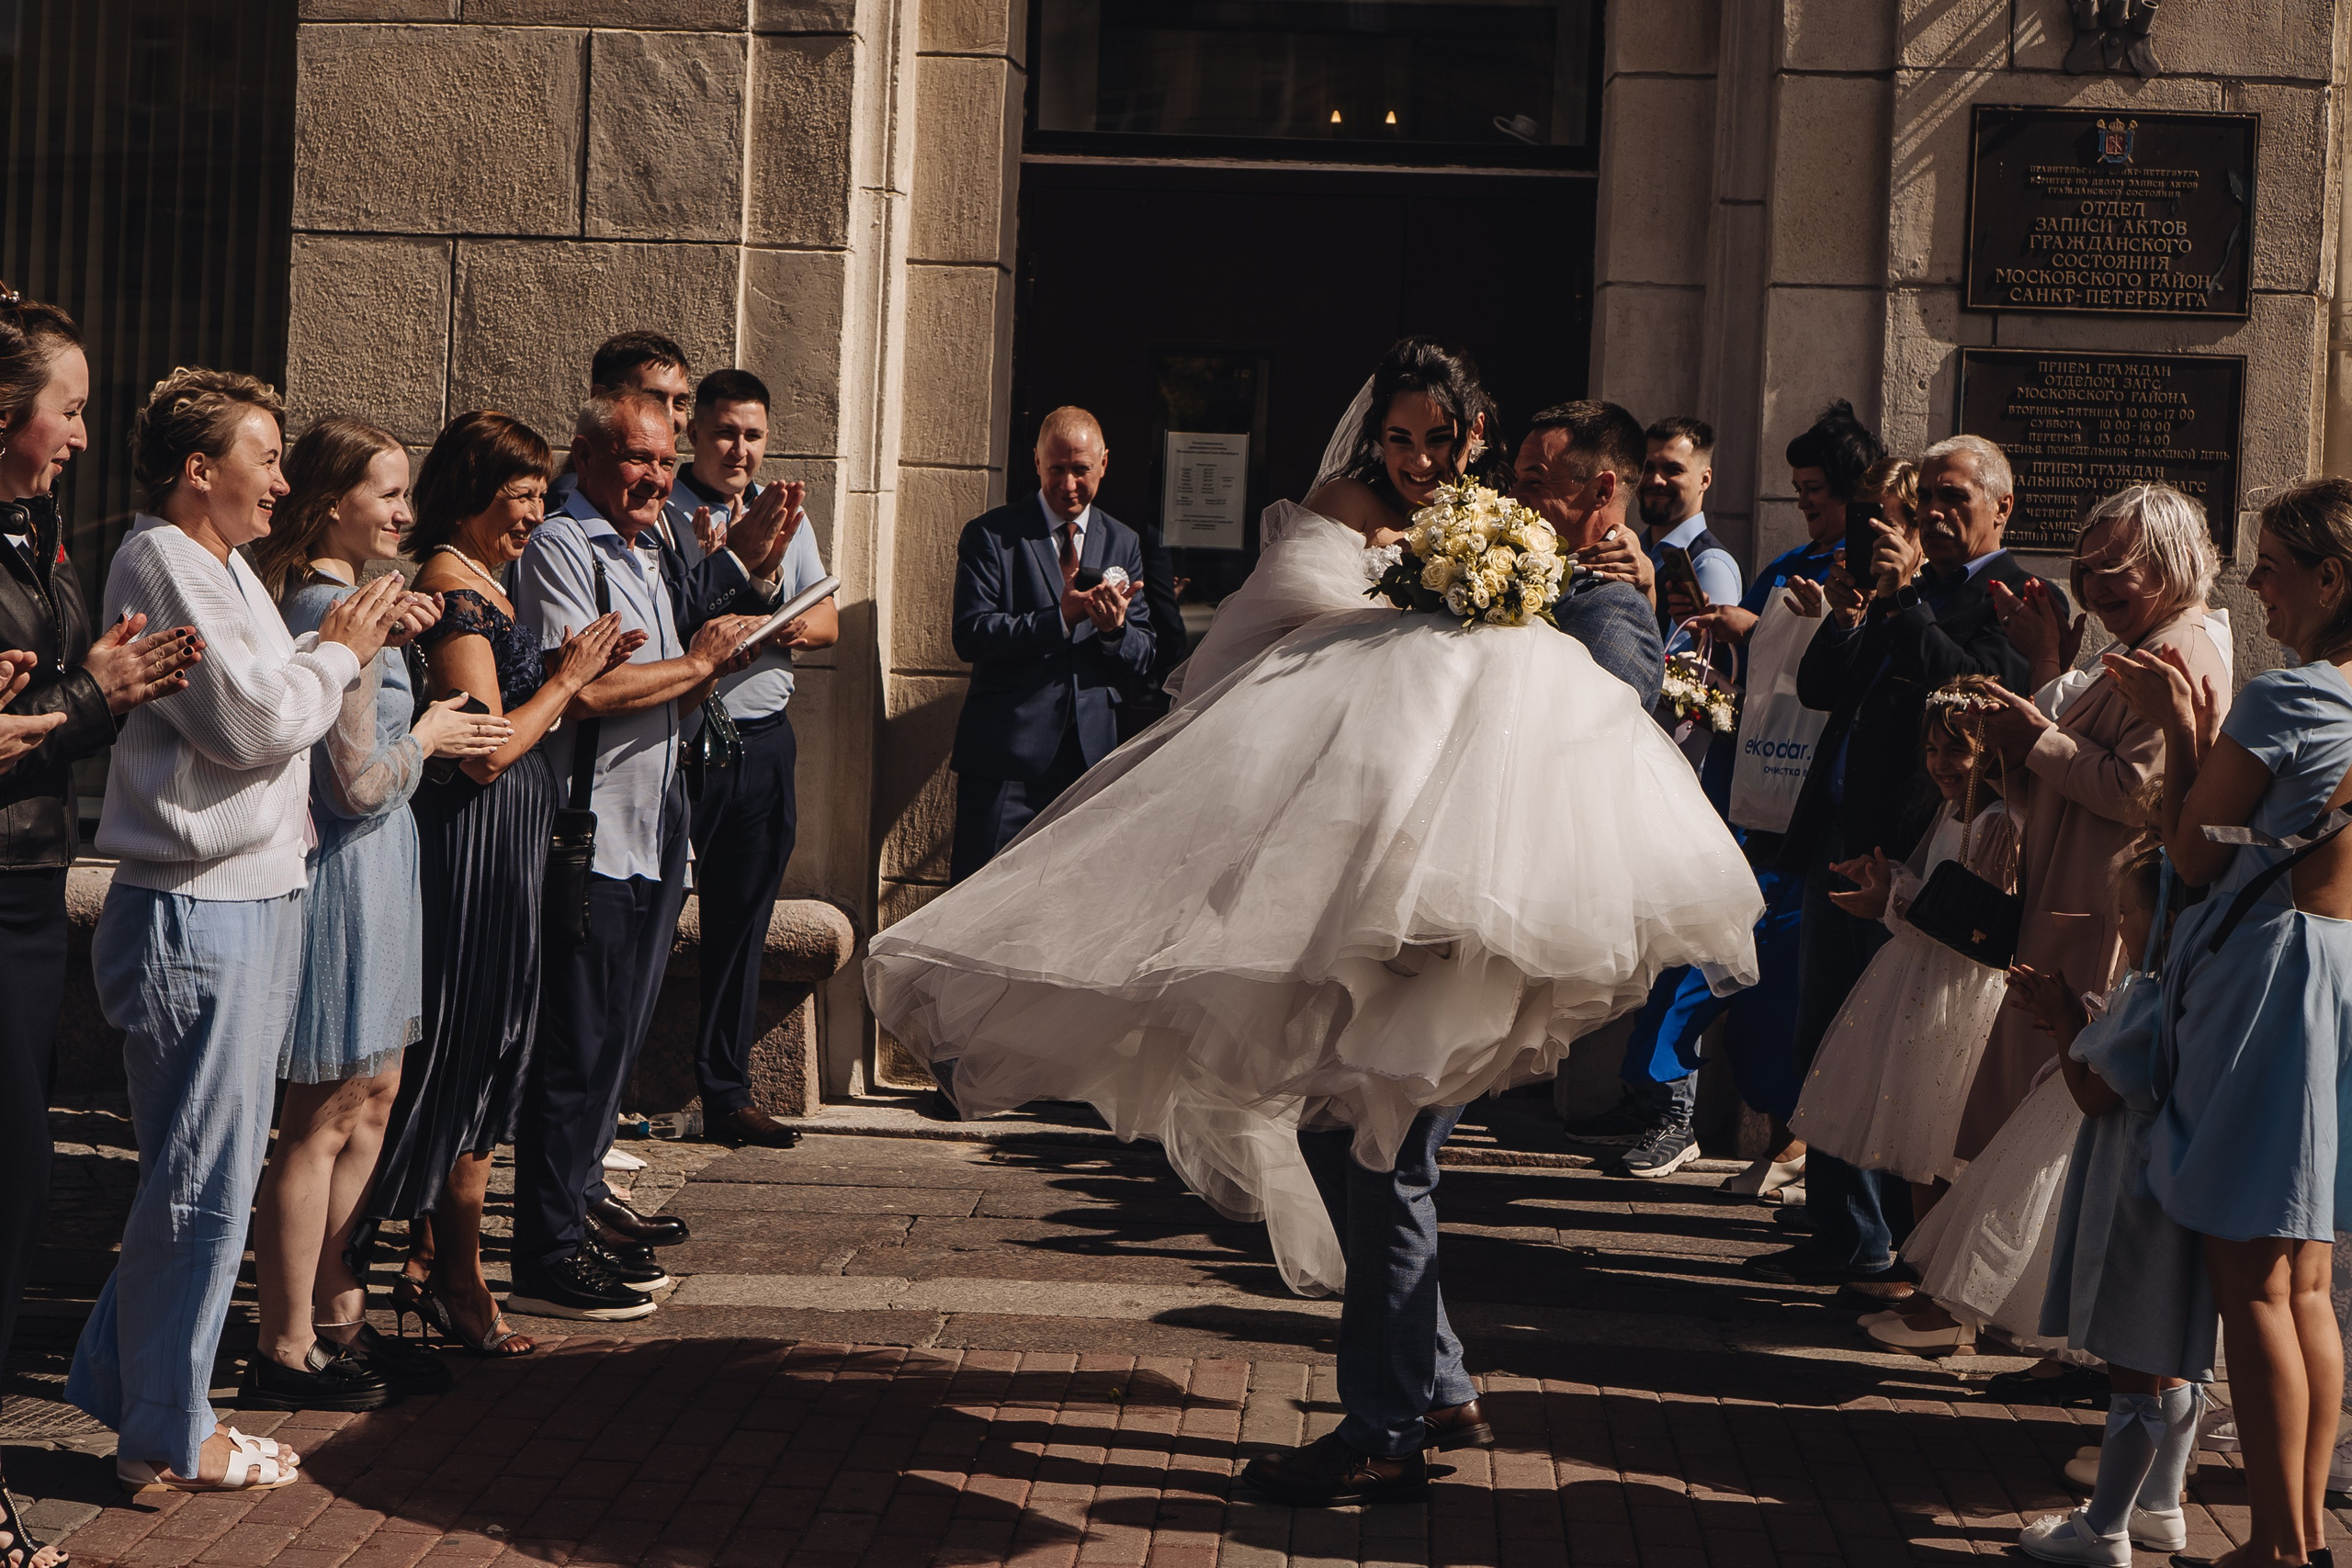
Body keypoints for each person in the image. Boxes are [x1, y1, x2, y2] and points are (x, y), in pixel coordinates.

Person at [868, 338, 1761, 1506]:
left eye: (1450, 443)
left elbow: (1600, 722)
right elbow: (1307, 673)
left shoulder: (1565, 577)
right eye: (1404, 439)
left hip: (1450, 917)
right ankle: (1431, 1385)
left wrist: (1582, 599)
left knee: (1378, 1152)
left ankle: (1385, 1428)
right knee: (1366, 1147)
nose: (1432, 462)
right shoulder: (1420, 537)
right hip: (1369, 901)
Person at [67, 367, 414, 1493]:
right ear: (197, 471)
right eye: (262, 458)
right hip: (195, 908)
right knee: (200, 1184)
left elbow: (274, 709)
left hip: (252, 897)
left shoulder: (218, 566)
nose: (280, 478)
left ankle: (132, 1394)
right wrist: (342, 654)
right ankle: (170, 1432)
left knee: (201, 1171)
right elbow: (257, 722)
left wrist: (323, 662)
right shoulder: (160, 559)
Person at [1747, 424, 2059, 1289]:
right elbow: (1821, 690)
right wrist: (1862, 608)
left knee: (1893, 1054)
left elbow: (1974, 693)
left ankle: (1887, 1243)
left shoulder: (2015, 594)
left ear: (2003, 506)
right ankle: (1840, 1228)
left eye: (1955, 498)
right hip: (1847, 843)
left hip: (1921, 854)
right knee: (1829, 1044)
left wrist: (1904, 602)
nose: (1935, 512)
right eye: (1927, 499)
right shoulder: (1906, 591)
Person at [239, 418, 510, 1411]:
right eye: (388, 495)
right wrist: (434, 732)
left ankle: (335, 1307)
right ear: (332, 500)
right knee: (324, 1112)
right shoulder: (327, 607)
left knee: (373, 1101)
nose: (405, 512)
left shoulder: (361, 599)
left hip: (384, 869)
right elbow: (353, 781)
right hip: (350, 872)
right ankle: (287, 1340)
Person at [2109, 477, 2352, 1568]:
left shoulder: (2290, 699)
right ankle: (2293, 1537)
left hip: (2266, 976)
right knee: (2306, 1273)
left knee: (2250, 1272)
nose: (2252, 586)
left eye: (2269, 565)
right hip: (2337, 965)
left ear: (2329, 581)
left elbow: (2192, 856)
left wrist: (2178, 723)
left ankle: (2277, 1547)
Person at [364, 411, 634, 1357]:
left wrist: (561, 673)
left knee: (493, 1052)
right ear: (476, 493)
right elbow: (483, 750)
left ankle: (427, 1262)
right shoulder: (452, 587)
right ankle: (447, 1278)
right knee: (472, 1052)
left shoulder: (485, 581)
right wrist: (567, 681)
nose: (533, 515)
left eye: (538, 497)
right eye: (520, 497)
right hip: (474, 846)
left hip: (508, 841)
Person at [0, 288, 200, 1565]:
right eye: (66, 407)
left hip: (28, 877)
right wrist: (86, 690)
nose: (81, 430)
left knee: (18, 1180)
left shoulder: (35, 526)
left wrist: (78, 695)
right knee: (15, 1168)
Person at [507, 390, 760, 1322]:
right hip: (588, 834)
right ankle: (545, 1249)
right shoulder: (565, 546)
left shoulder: (648, 547)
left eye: (662, 461)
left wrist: (704, 667)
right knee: (572, 1049)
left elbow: (656, 687)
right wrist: (695, 666)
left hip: (655, 833)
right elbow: (588, 689)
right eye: (634, 460)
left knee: (612, 1044)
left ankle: (574, 1217)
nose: (654, 478)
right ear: (586, 457)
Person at [2007, 848, 2215, 1565]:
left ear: (2157, 918)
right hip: (2180, 1198)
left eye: (2125, 909)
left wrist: (2065, 1022)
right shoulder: (2202, 986)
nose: (2117, 922)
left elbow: (2095, 1091)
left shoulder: (2154, 992)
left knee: (2133, 1367)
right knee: (2178, 1361)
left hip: (2134, 1202)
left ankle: (2105, 1528)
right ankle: (2162, 1506)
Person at [672, 368, 836, 1149]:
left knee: (744, 920)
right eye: (726, 433)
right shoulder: (662, 509)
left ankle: (726, 1090)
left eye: (754, 435)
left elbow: (828, 618)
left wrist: (780, 621)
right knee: (649, 914)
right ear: (694, 434)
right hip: (681, 741)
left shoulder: (786, 512)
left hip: (762, 739)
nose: (741, 449)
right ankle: (616, 1095)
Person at [1788, 678, 2018, 1215]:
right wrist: (1881, 876)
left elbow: (1971, 914)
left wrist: (1891, 896)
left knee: (1942, 1137)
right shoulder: (1951, 812)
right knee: (1914, 1136)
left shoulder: (2001, 823)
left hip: (1958, 994)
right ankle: (1911, 1264)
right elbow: (1923, 881)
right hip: (1919, 982)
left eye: (1957, 749)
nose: (1940, 763)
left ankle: (1926, 1272)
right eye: (1933, 749)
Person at [947, 405, 1152, 883]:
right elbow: (971, 634)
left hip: (1088, 761)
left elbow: (1143, 654)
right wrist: (1058, 619)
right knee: (980, 901)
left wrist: (1113, 631)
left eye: (1081, 470)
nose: (1068, 484)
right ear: (1037, 463)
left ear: (1104, 463)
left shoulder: (1123, 541)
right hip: (1006, 761)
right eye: (1056, 469)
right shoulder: (991, 536)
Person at [1505, 400, 1668, 703]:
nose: (1513, 498)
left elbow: (1587, 737)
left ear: (1602, 490)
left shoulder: (1616, 608)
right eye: (1517, 480)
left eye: (1536, 481)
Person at [1638, 416, 1742, 649]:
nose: (1656, 480)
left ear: (1704, 479)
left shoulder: (1710, 565)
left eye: (1673, 470)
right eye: (1648, 467)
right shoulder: (1637, 549)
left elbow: (1688, 674)